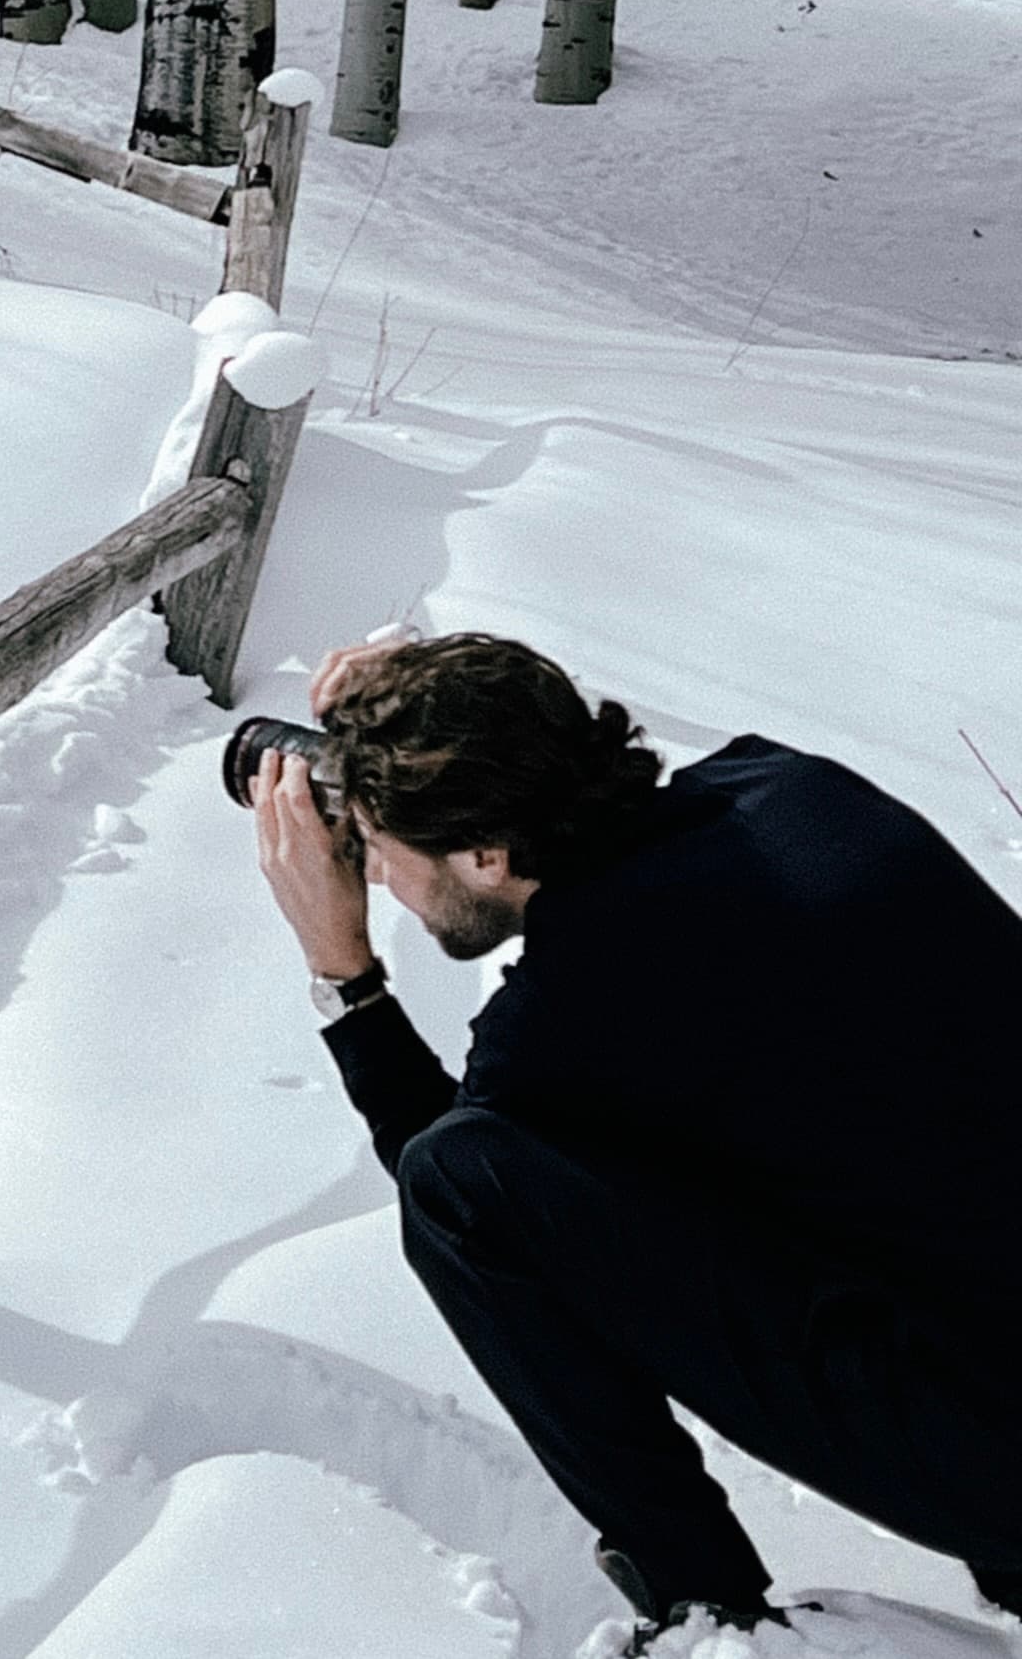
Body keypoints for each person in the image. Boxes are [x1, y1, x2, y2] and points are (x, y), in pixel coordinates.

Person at [245, 631, 1022, 1645]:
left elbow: (453, 1183)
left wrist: (344, 974)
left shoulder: (580, 1012)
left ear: (486, 853)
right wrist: (429, 709)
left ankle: (708, 1614)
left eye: (383, 849)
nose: (379, 875)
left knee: (457, 1181)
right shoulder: (792, 785)